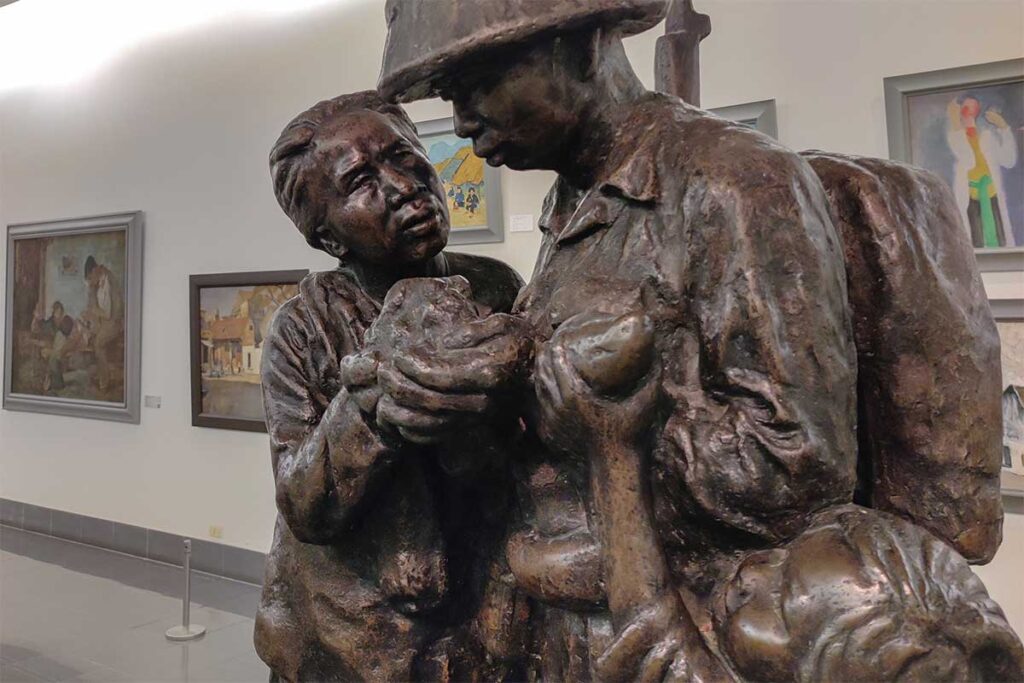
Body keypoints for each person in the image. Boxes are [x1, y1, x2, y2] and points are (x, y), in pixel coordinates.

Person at [378, 1, 1024, 680]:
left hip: (691, 626)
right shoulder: (571, 195)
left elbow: (794, 461)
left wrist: (602, 427)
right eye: (451, 96)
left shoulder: (734, 181)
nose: (461, 121)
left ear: (579, 44)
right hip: (573, 620)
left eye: (480, 82)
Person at [255, 90, 528, 682]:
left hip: (475, 614)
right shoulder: (302, 329)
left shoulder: (495, 287)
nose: (404, 186)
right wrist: (372, 401)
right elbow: (304, 504)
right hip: (348, 637)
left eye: (404, 157)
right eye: (360, 181)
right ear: (330, 238)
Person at [947, 97, 1018, 248]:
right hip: (971, 198)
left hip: (992, 195)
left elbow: (1009, 160)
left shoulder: (987, 137)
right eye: (965, 108)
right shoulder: (956, 136)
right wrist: (957, 123)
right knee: (975, 244)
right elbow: (966, 153)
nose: (968, 112)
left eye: (973, 108)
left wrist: (1004, 127)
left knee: (1001, 242)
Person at [83, 255, 123, 392]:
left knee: (98, 343)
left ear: (95, 271)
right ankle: (101, 374)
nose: (90, 281)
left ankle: (104, 382)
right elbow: (92, 307)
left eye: (90, 277)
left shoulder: (111, 281)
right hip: (103, 322)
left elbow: (110, 314)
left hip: (114, 322)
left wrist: (94, 312)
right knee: (87, 334)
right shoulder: (95, 285)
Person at [31, 300, 77, 392]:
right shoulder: (49, 323)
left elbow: (70, 336)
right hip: (52, 348)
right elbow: (37, 329)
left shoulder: (65, 323)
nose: (59, 315)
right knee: (51, 358)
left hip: (59, 349)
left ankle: (52, 381)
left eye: (60, 312)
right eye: (57, 312)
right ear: (54, 312)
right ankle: (51, 381)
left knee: (54, 358)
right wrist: (35, 318)